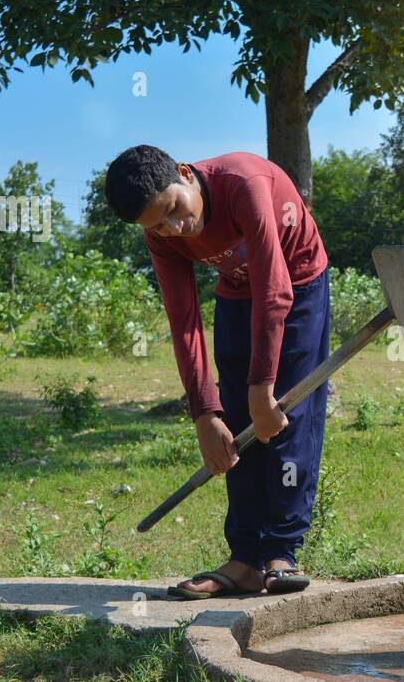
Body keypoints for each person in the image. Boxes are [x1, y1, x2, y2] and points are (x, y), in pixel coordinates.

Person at [104, 145, 330, 598]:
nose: (176, 228)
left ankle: (281, 552)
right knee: (235, 424)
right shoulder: (162, 236)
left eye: (174, 210)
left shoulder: (244, 185)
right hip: (237, 290)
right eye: (158, 226)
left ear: (185, 175)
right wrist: (205, 415)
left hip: (297, 281)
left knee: (285, 416)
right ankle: (245, 558)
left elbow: (275, 289)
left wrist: (263, 388)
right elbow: (184, 321)